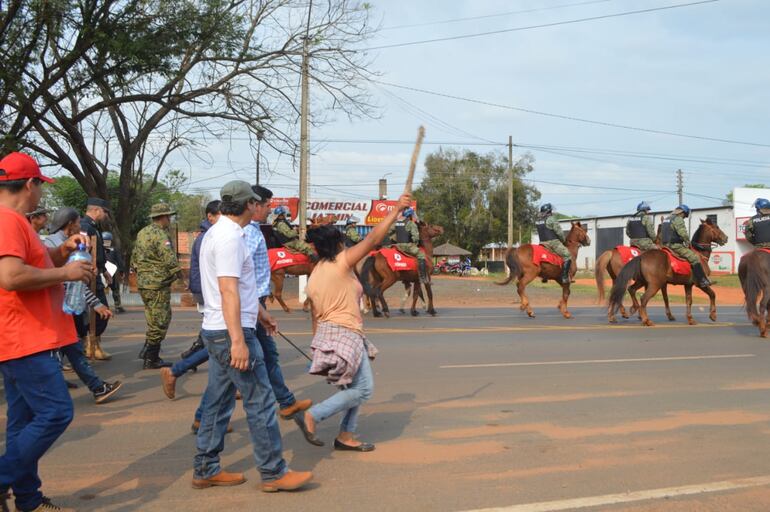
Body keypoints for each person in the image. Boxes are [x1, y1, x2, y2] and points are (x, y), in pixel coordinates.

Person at [193, 180, 312, 492]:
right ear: (248, 204)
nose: (263, 206)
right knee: (259, 401)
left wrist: (261, 314)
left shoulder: (219, 233)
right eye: (258, 203)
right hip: (230, 331)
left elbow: (239, 288)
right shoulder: (231, 238)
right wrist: (238, 341)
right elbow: (228, 289)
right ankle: (274, 473)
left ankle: (205, 468)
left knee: (218, 403)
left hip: (221, 326)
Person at [0, 151, 94, 512]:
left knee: (22, 421)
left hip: (21, 336)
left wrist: (60, 254)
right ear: (30, 184)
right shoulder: (9, 221)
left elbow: (28, 267)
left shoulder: (15, 222)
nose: (41, 195)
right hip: (23, 337)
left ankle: (27, 498)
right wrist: (65, 273)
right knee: (56, 413)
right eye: (40, 185)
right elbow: (10, 277)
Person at [295, 192, 412, 452]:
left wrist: (318, 346)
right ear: (338, 245)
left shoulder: (316, 274)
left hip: (327, 334)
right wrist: (395, 210)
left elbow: (315, 315)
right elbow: (372, 239)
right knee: (364, 390)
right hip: (345, 333)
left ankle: (346, 435)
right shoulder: (341, 263)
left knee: (353, 388)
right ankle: (313, 415)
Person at [244, 185, 312, 419]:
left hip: (258, 303)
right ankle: (205, 416)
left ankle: (285, 402)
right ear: (253, 205)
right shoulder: (246, 234)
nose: (269, 210)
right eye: (267, 206)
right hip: (251, 304)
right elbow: (242, 277)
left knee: (268, 356)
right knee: (239, 366)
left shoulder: (255, 230)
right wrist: (259, 309)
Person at [45, 208, 122, 404]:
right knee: (59, 351)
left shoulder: (71, 244)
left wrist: (95, 303)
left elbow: (75, 281)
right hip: (53, 308)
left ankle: (97, 388)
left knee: (72, 348)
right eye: (78, 222)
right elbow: (66, 279)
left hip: (65, 306)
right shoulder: (50, 244)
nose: (81, 227)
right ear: (70, 224)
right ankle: (54, 394)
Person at [132, 203, 183, 369]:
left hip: (144, 283)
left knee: (153, 318)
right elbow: (169, 259)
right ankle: (151, 356)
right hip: (157, 284)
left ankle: (148, 350)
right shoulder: (160, 235)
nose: (170, 219)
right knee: (161, 319)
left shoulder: (142, 232)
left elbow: (134, 257)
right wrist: (182, 278)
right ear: (163, 217)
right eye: (169, 216)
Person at [80, 197, 112, 360]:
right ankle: (88, 344)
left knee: (99, 312)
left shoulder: (93, 227)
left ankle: (94, 344)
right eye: (105, 212)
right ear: (97, 210)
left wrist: (104, 270)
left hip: (97, 272)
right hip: (88, 275)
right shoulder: (85, 226)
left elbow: (98, 255)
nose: (106, 215)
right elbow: (84, 252)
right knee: (100, 311)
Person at [660, 204, 710, 288]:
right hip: (675, 246)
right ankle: (702, 280)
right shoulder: (678, 219)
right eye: (685, 215)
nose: (684, 217)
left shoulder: (666, 219)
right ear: (682, 212)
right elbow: (682, 233)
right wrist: (687, 241)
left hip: (665, 245)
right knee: (694, 258)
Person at [535, 203, 572, 284]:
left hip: (542, 243)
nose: (552, 212)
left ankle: (544, 276)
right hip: (552, 243)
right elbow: (559, 232)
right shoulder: (551, 219)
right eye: (551, 211)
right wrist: (563, 240)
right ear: (549, 211)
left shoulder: (538, 221)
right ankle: (565, 277)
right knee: (567, 255)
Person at [395, 207, 429, 284]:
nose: (414, 216)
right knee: (421, 255)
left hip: (397, 246)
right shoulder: (411, 223)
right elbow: (415, 237)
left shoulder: (396, 223)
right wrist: (415, 244)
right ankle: (422, 278)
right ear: (410, 215)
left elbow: (392, 233)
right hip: (406, 246)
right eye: (413, 215)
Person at [102, 232, 126, 313]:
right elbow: (119, 261)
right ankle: (118, 306)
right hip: (112, 272)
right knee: (115, 289)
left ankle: (103, 306)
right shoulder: (114, 249)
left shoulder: (98, 250)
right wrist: (122, 271)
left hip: (101, 271)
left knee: (101, 289)